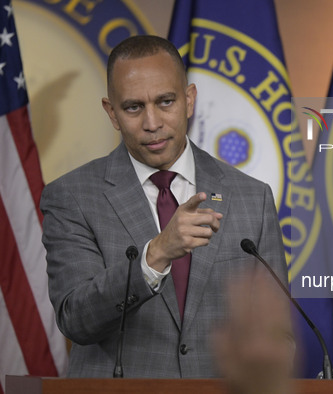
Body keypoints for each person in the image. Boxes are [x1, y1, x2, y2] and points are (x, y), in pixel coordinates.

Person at [41, 35, 287, 378]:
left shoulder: (251, 197)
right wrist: (155, 255)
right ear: (112, 113)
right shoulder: (71, 196)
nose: (152, 123)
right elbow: (76, 319)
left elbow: (276, 329)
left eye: (166, 101)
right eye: (133, 107)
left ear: (189, 100)